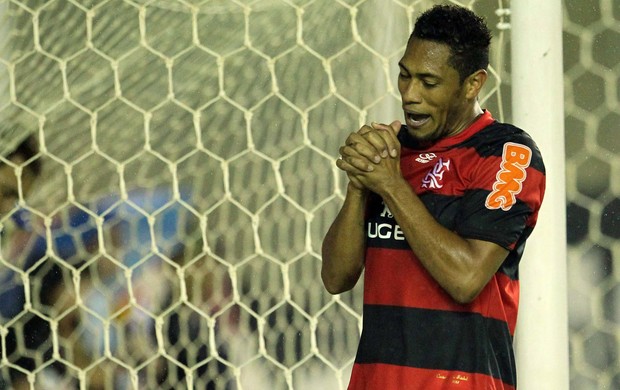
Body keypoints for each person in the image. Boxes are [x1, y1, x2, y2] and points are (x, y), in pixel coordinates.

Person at [321, 5, 546, 390]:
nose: (410, 94)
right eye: (405, 76)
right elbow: (336, 278)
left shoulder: (507, 153)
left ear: (473, 84)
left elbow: (465, 277)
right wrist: (360, 186)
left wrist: (391, 186)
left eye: (428, 82)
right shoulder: (393, 153)